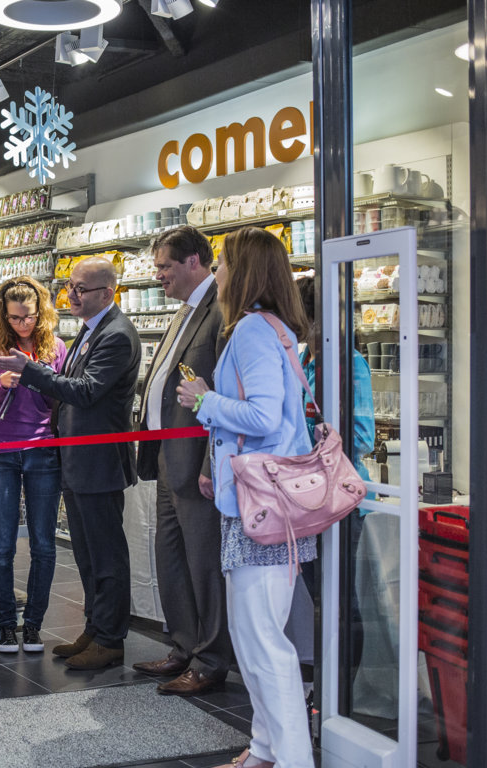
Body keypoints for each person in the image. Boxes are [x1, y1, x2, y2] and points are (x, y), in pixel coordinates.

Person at [175, 226, 316, 768]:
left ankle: (292, 759)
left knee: (262, 643)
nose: (218, 274)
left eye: (226, 265)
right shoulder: (269, 328)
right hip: (261, 504)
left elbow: (262, 415)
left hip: (264, 510)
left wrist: (204, 400)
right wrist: (219, 462)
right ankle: (265, 749)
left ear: (246, 272)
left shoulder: (253, 330)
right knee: (254, 638)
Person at [0, 256, 141, 671]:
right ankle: (95, 629)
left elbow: (87, 392)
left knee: (106, 555)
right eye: (70, 287)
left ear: (107, 293)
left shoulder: (117, 335)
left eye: (81, 289)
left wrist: (30, 372)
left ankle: (110, 639)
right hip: (77, 461)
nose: (71, 295)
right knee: (88, 555)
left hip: (99, 463)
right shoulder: (92, 332)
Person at [131, 226, 232, 695]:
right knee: (171, 556)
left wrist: (212, 461)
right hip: (169, 455)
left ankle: (211, 660)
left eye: (165, 266)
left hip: (197, 459)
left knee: (203, 561)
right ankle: (183, 647)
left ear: (195, 262)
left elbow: (223, 394)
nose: (159, 276)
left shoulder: (220, 311)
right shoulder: (184, 311)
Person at [293, 275, 375, 677]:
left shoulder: (348, 363)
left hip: (338, 498)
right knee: (319, 594)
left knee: (340, 597)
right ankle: (327, 688)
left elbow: (362, 435)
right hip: (308, 495)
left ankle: (344, 688)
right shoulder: (306, 359)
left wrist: (308, 439)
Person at [0, 277, 66, 654]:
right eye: (14, 318)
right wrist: (1, 382)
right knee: (2, 544)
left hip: (43, 448)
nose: (22, 325)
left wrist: (37, 378)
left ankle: (33, 624)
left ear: (41, 311)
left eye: (28, 317)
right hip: (0, 447)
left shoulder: (55, 346)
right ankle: (5, 624)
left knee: (44, 544)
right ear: (3, 314)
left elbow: (63, 394)